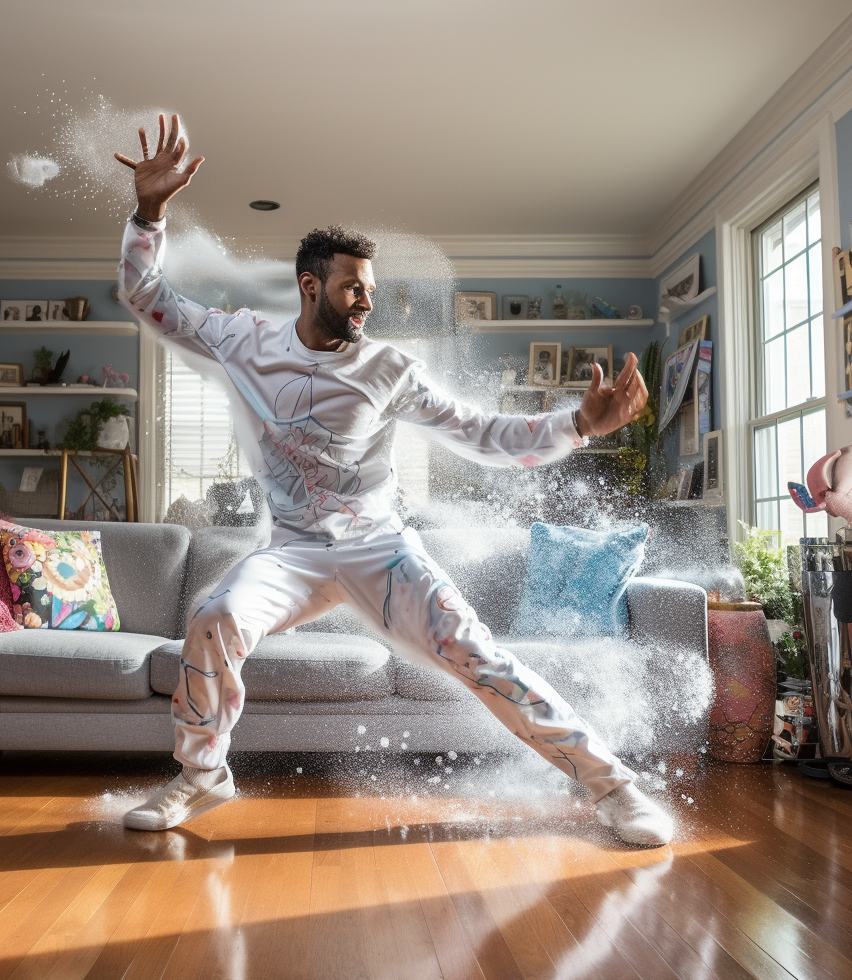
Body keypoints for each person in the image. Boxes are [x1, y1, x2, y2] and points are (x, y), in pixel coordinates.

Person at [114, 114, 673, 846]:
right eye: (352, 288)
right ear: (310, 287)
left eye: (369, 289)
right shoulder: (242, 338)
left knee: (482, 658)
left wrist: (578, 424)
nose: (367, 301)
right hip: (292, 552)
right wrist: (150, 212)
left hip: (380, 549)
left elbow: (485, 434)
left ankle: (614, 787)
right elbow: (147, 295)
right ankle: (201, 776)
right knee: (212, 620)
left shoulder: (389, 369)